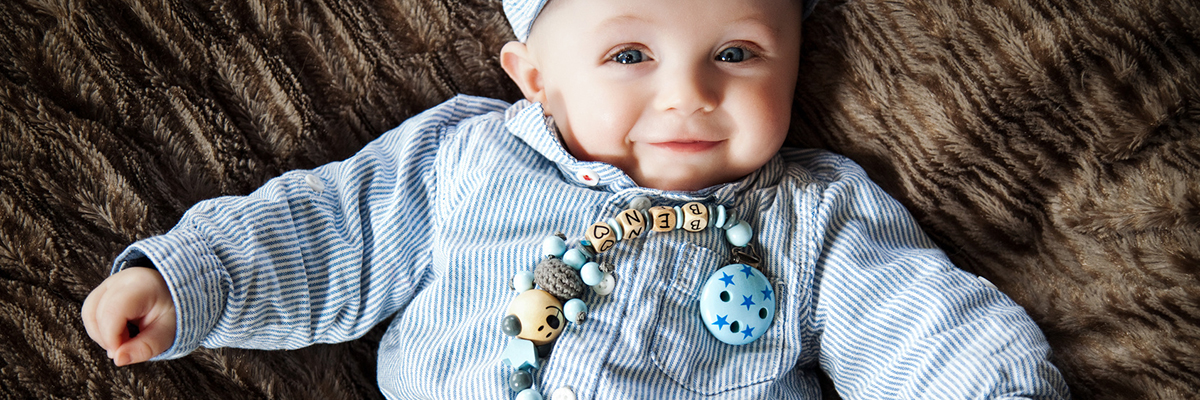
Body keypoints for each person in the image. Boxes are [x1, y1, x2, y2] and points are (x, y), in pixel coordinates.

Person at [81, 0, 1072, 398]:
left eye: (737, 53)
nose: (690, 93)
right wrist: (192, 280)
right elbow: (329, 226)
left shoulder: (811, 217)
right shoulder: (464, 160)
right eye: (630, 55)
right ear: (533, 76)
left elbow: (922, 325)